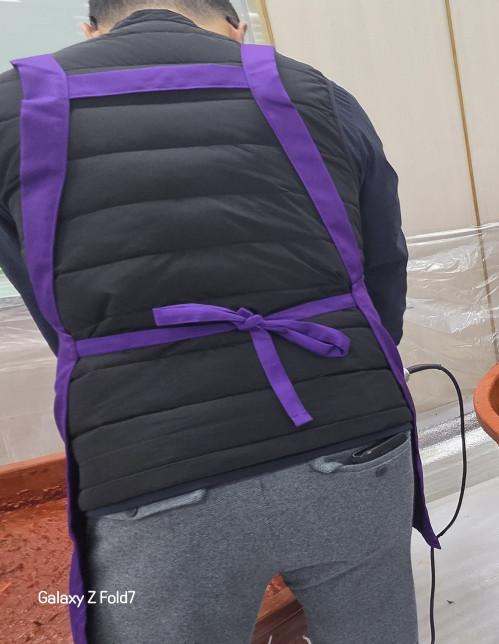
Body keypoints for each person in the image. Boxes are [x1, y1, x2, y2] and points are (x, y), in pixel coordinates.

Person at [0, 2, 435, 641]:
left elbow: (53, 308)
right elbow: (383, 267)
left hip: (150, 466)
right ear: (237, 28)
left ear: (90, 31)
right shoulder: (313, 90)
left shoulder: (13, 108)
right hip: (352, 437)